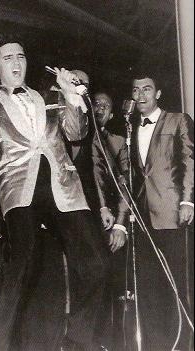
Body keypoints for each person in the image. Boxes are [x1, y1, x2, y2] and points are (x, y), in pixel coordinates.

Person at [0, 35, 104, 351]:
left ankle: (77, 340)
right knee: (21, 264)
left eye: (20, 56)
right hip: (21, 193)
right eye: (8, 57)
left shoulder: (48, 99)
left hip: (62, 189)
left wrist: (70, 96)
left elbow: (77, 134)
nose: (16, 62)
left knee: (96, 260)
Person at [130, 69, 194, 350]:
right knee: (151, 289)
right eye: (136, 90)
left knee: (180, 286)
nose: (141, 94)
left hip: (173, 215)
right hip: (143, 221)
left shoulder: (178, 120)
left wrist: (188, 201)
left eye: (146, 89)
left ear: (157, 93)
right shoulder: (131, 128)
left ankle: (184, 344)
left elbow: (190, 161)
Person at [91, 92, 130, 350]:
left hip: (109, 227)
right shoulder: (75, 139)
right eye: (96, 104)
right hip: (83, 223)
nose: (100, 108)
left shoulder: (117, 142)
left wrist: (120, 224)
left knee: (110, 288)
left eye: (106, 105)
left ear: (112, 114)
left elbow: (127, 184)